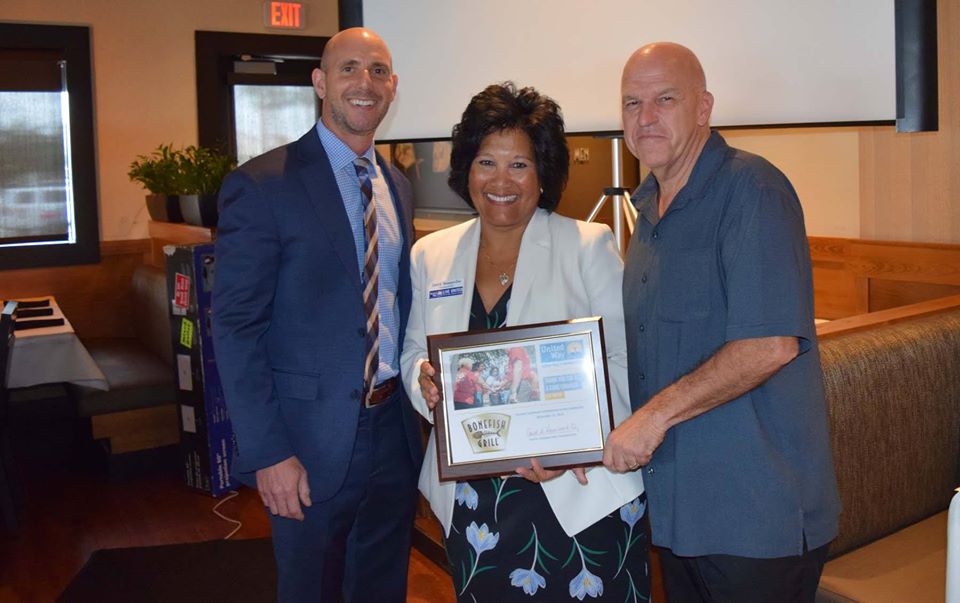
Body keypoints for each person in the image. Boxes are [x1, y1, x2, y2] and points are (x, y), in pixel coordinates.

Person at [604, 42, 841, 602]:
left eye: (665, 99)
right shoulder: (650, 211)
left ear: (704, 107)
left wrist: (651, 419)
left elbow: (770, 345)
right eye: (632, 103)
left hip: (756, 520)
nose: (646, 117)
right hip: (681, 515)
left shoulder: (753, 190)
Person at [401, 83, 649, 602]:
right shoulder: (432, 255)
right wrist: (421, 381)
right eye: (486, 162)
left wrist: (577, 445)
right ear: (466, 168)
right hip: (475, 503)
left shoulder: (587, 245)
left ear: (544, 173)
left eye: (520, 164)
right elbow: (411, 355)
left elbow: (626, 361)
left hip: (580, 492)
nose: (501, 181)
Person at [211, 27, 421, 602]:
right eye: (349, 68)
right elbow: (235, 330)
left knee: (381, 589)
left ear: (393, 87)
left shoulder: (397, 187)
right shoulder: (260, 185)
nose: (364, 83)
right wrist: (269, 452)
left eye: (378, 71)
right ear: (320, 82)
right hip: (305, 445)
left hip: (393, 434)